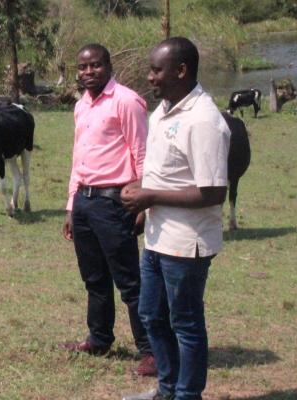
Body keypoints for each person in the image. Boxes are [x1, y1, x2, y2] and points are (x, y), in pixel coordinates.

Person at [120, 37, 230, 400]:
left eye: (156, 70)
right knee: (152, 315)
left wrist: (149, 196)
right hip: (157, 235)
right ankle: (167, 389)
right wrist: (144, 200)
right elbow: (167, 173)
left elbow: (213, 192)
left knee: (185, 323)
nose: (149, 77)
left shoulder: (204, 120)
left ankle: (187, 394)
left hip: (186, 243)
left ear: (181, 71)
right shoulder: (164, 111)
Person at [60, 43, 155, 377]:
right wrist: (72, 205)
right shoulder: (81, 106)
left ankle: (152, 351)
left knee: (129, 281)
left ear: (109, 66)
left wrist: (143, 202)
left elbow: (142, 153)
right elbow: (78, 159)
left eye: (96, 66)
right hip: (85, 200)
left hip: (115, 201)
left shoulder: (127, 101)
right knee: (94, 278)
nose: (89, 72)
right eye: (83, 67)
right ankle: (99, 339)